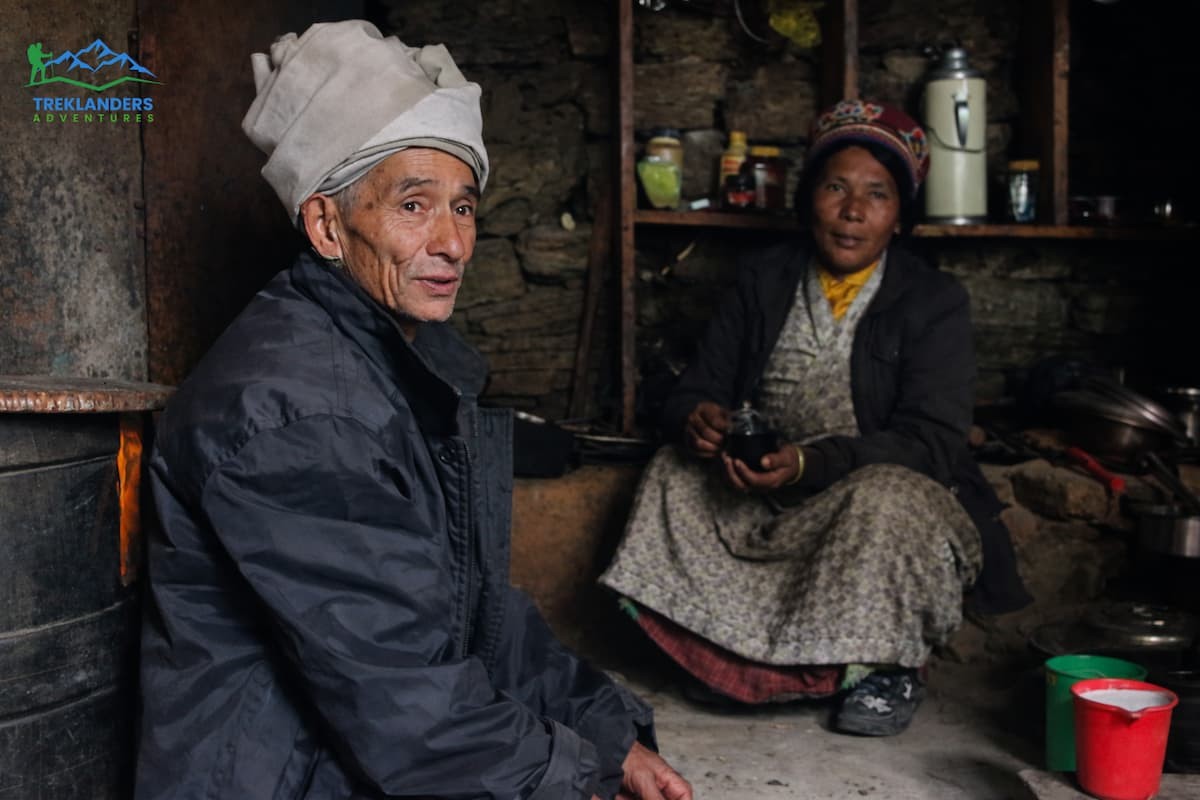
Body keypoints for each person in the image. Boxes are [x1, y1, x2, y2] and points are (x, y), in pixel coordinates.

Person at [134, 20, 691, 800]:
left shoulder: (390, 369)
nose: (452, 243)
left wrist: (606, 733)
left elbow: (470, 612)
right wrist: (574, 781)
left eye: (462, 208)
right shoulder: (297, 414)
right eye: (413, 204)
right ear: (327, 226)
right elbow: (406, 708)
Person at [600, 99, 1031, 737]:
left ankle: (883, 668)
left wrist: (809, 463)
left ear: (899, 216)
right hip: (762, 492)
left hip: (864, 494)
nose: (853, 211)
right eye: (836, 188)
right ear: (809, 200)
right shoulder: (764, 280)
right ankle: (731, 658)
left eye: (877, 195)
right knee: (673, 470)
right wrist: (698, 419)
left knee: (887, 501)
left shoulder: (932, 301)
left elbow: (933, 443)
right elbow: (698, 387)